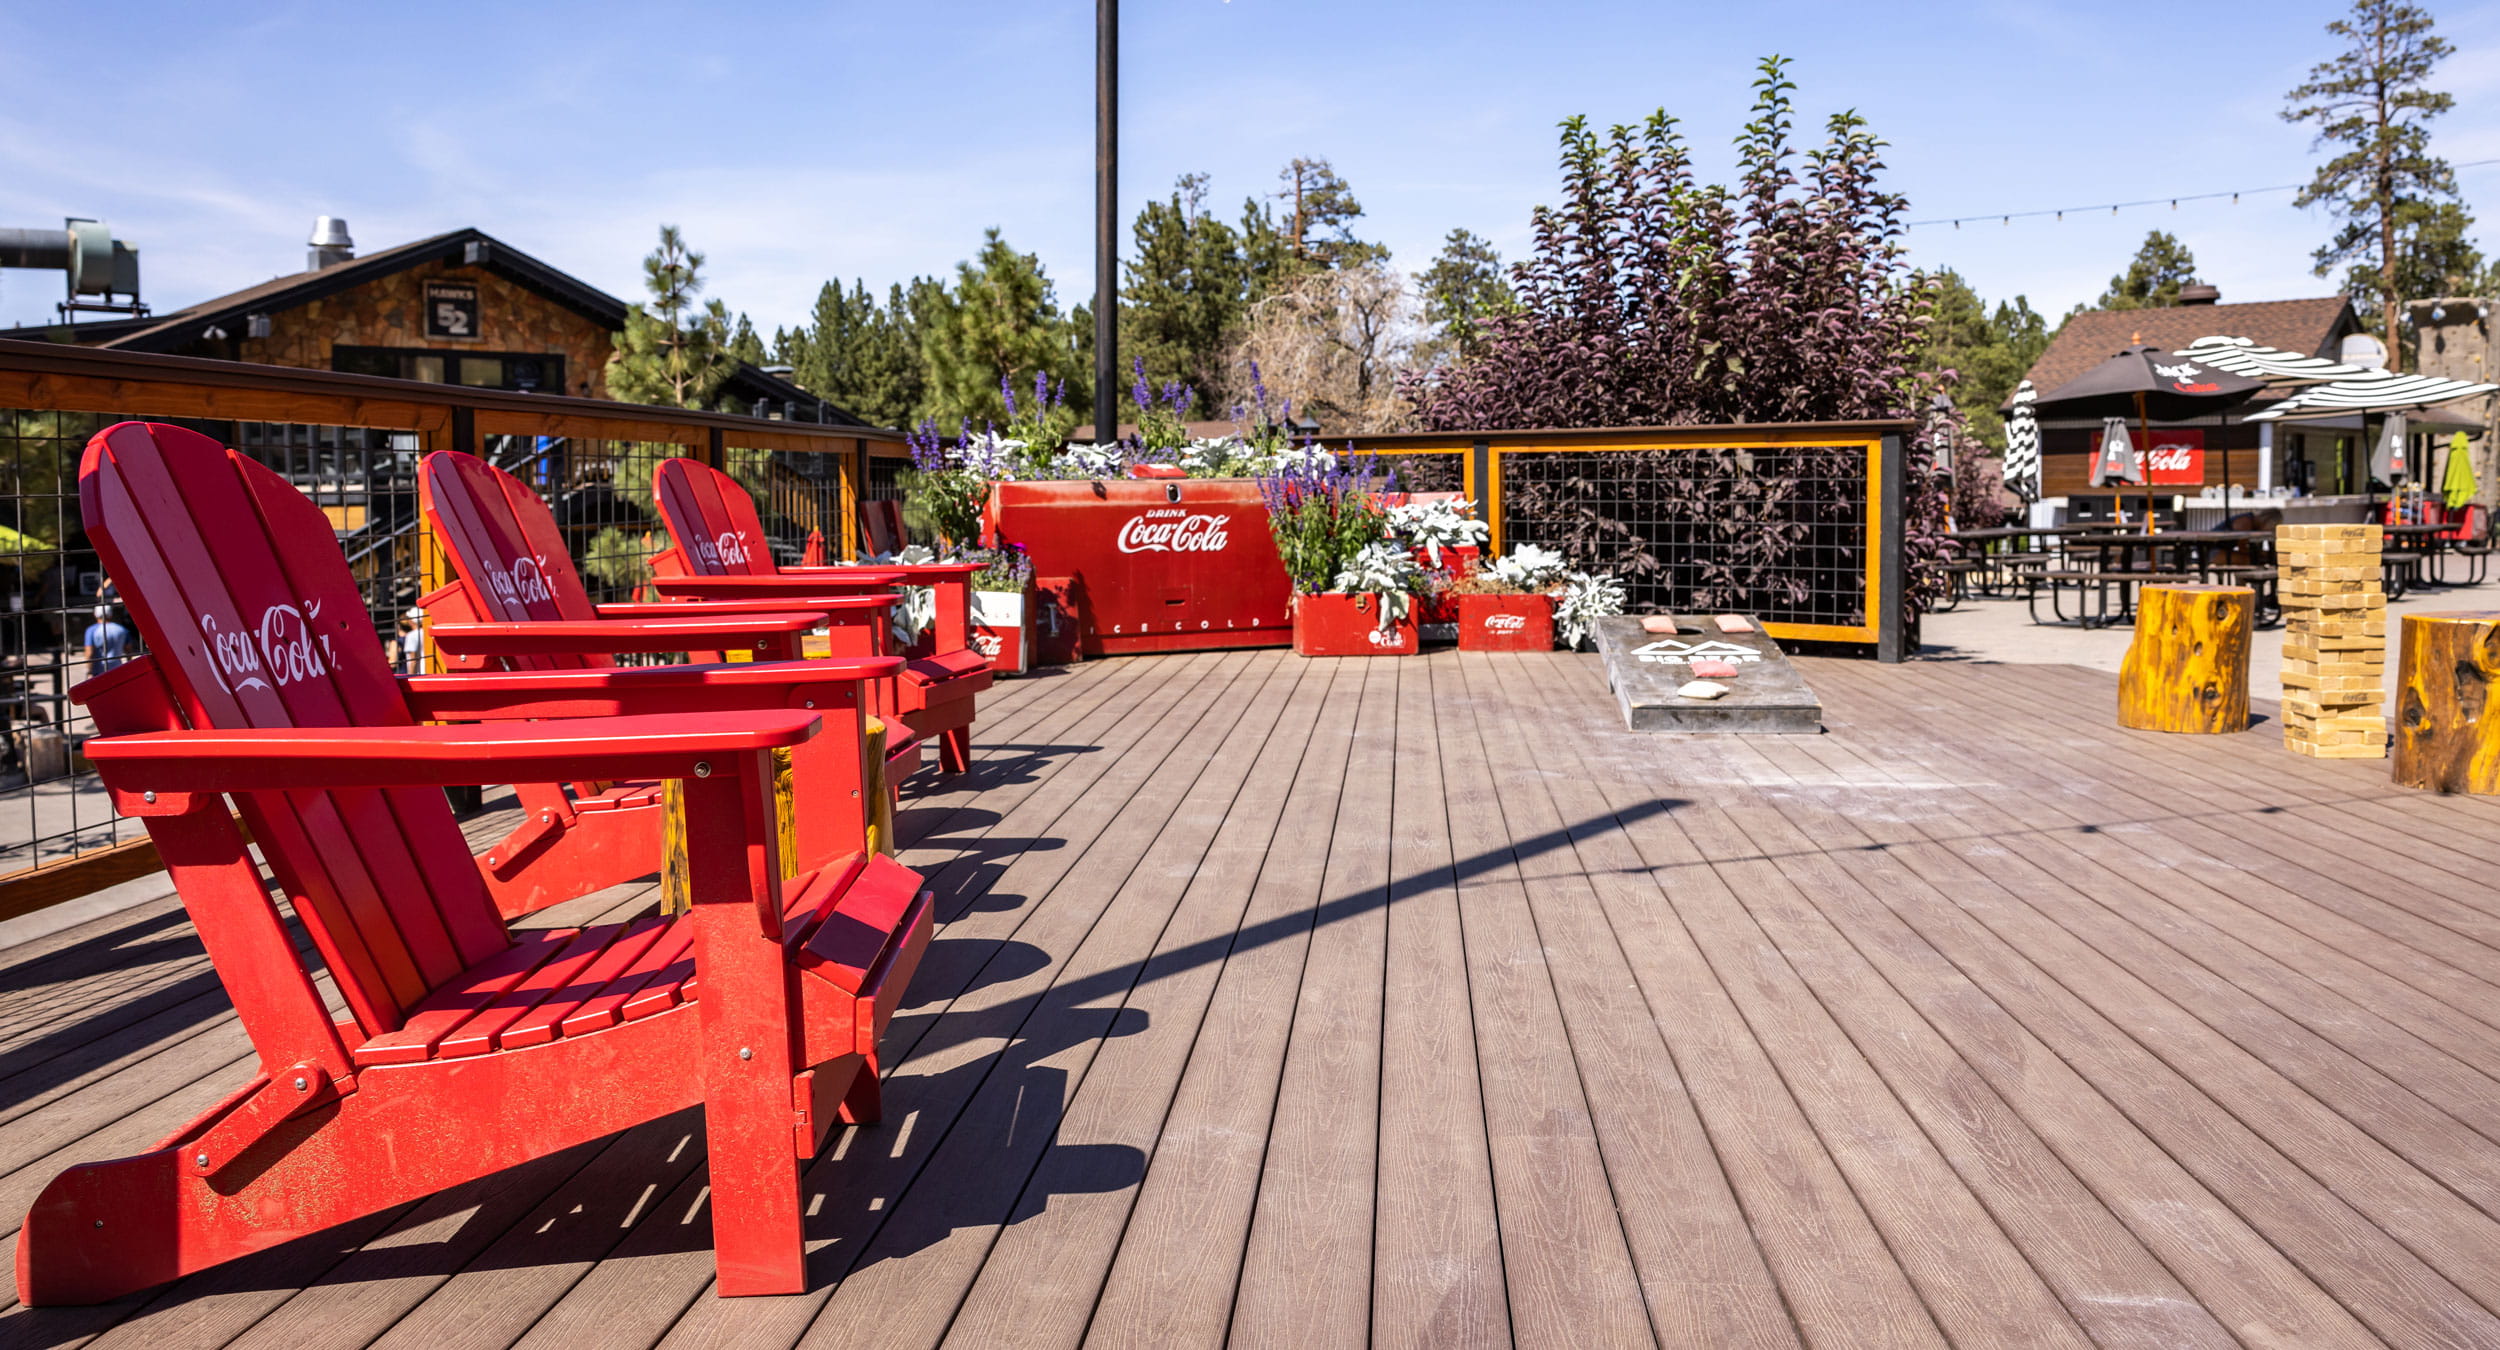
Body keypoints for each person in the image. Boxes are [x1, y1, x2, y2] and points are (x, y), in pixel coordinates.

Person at [81, 606, 130, 674]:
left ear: (95, 614)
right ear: (111, 614)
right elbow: (128, 650)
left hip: (99, 669)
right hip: (117, 668)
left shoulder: (91, 630)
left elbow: (89, 653)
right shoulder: (122, 629)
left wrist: (89, 670)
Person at [397, 607, 426, 675]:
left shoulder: (411, 635)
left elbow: (413, 659)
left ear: (411, 620)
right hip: (427, 670)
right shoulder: (426, 632)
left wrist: (411, 676)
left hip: (418, 673)